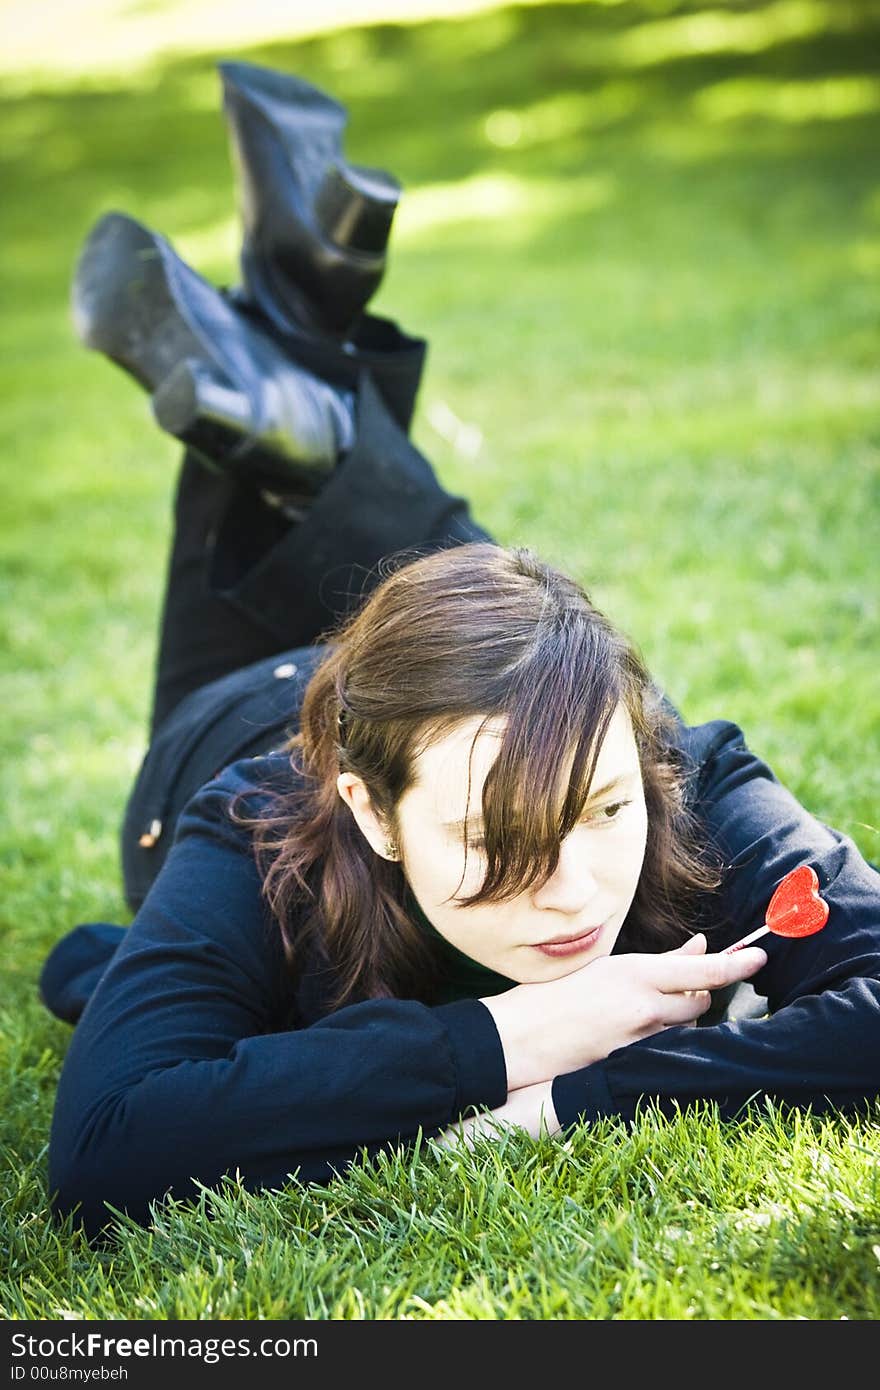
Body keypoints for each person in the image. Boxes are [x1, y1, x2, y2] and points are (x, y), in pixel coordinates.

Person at [40, 62, 880, 1244]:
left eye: (598, 811)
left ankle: (300, 316)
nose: (575, 889)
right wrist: (511, 1037)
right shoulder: (255, 826)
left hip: (471, 676)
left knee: (518, 621)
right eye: (492, 839)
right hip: (237, 716)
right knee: (470, 603)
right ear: (373, 815)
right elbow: (109, 1151)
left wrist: (575, 1099)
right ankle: (303, 333)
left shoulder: (676, 768)